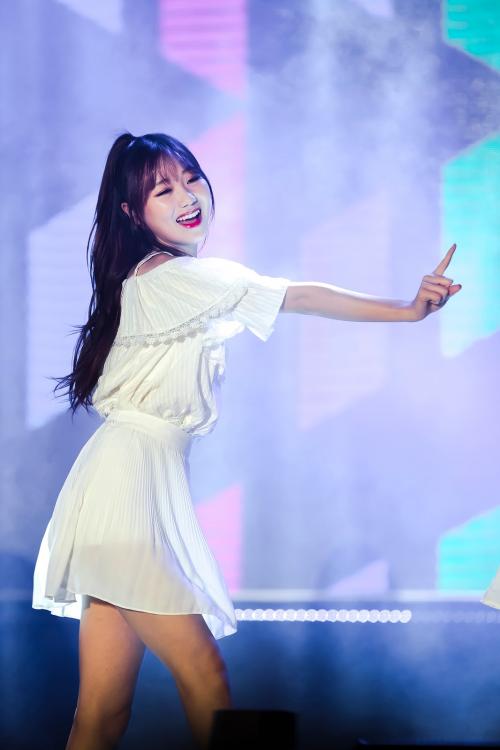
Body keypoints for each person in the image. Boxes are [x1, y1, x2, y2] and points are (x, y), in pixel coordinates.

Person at [32, 131, 462, 750]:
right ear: (132, 212)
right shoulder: (173, 276)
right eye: (163, 189)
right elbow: (295, 295)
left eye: (191, 179)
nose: (187, 197)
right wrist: (406, 310)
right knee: (202, 675)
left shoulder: (156, 280)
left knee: (101, 715)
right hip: (126, 490)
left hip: (124, 483)